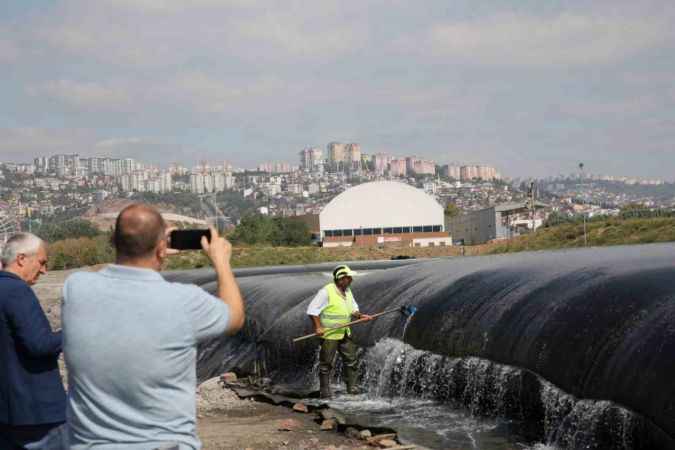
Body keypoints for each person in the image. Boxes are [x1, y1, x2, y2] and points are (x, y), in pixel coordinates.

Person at [62, 204, 245, 449]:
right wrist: (221, 261)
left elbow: (113, 274)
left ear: (114, 242)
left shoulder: (75, 288)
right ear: (161, 247)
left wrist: (151, 249)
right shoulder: (185, 301)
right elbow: (234, 317)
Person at [0, 233, 66, 449]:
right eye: (42, 262)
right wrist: (73, 332)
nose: (44, 270)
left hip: (8, 413)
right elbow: (39, 344)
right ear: (21, 259)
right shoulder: (17, 290)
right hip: (36, 413)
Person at [306, 265, 373, 398]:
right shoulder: (326, 291)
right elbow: (312, 310)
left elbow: (353, 308)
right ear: (340, 279)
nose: (351, 279)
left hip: (344, 332)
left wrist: (360, 316)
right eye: (348, 277)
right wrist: (318, 327)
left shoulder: (347, 291)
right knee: (326, 363)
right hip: (330, 334)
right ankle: (325, 392)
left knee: (351, 359)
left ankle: (352, 388)